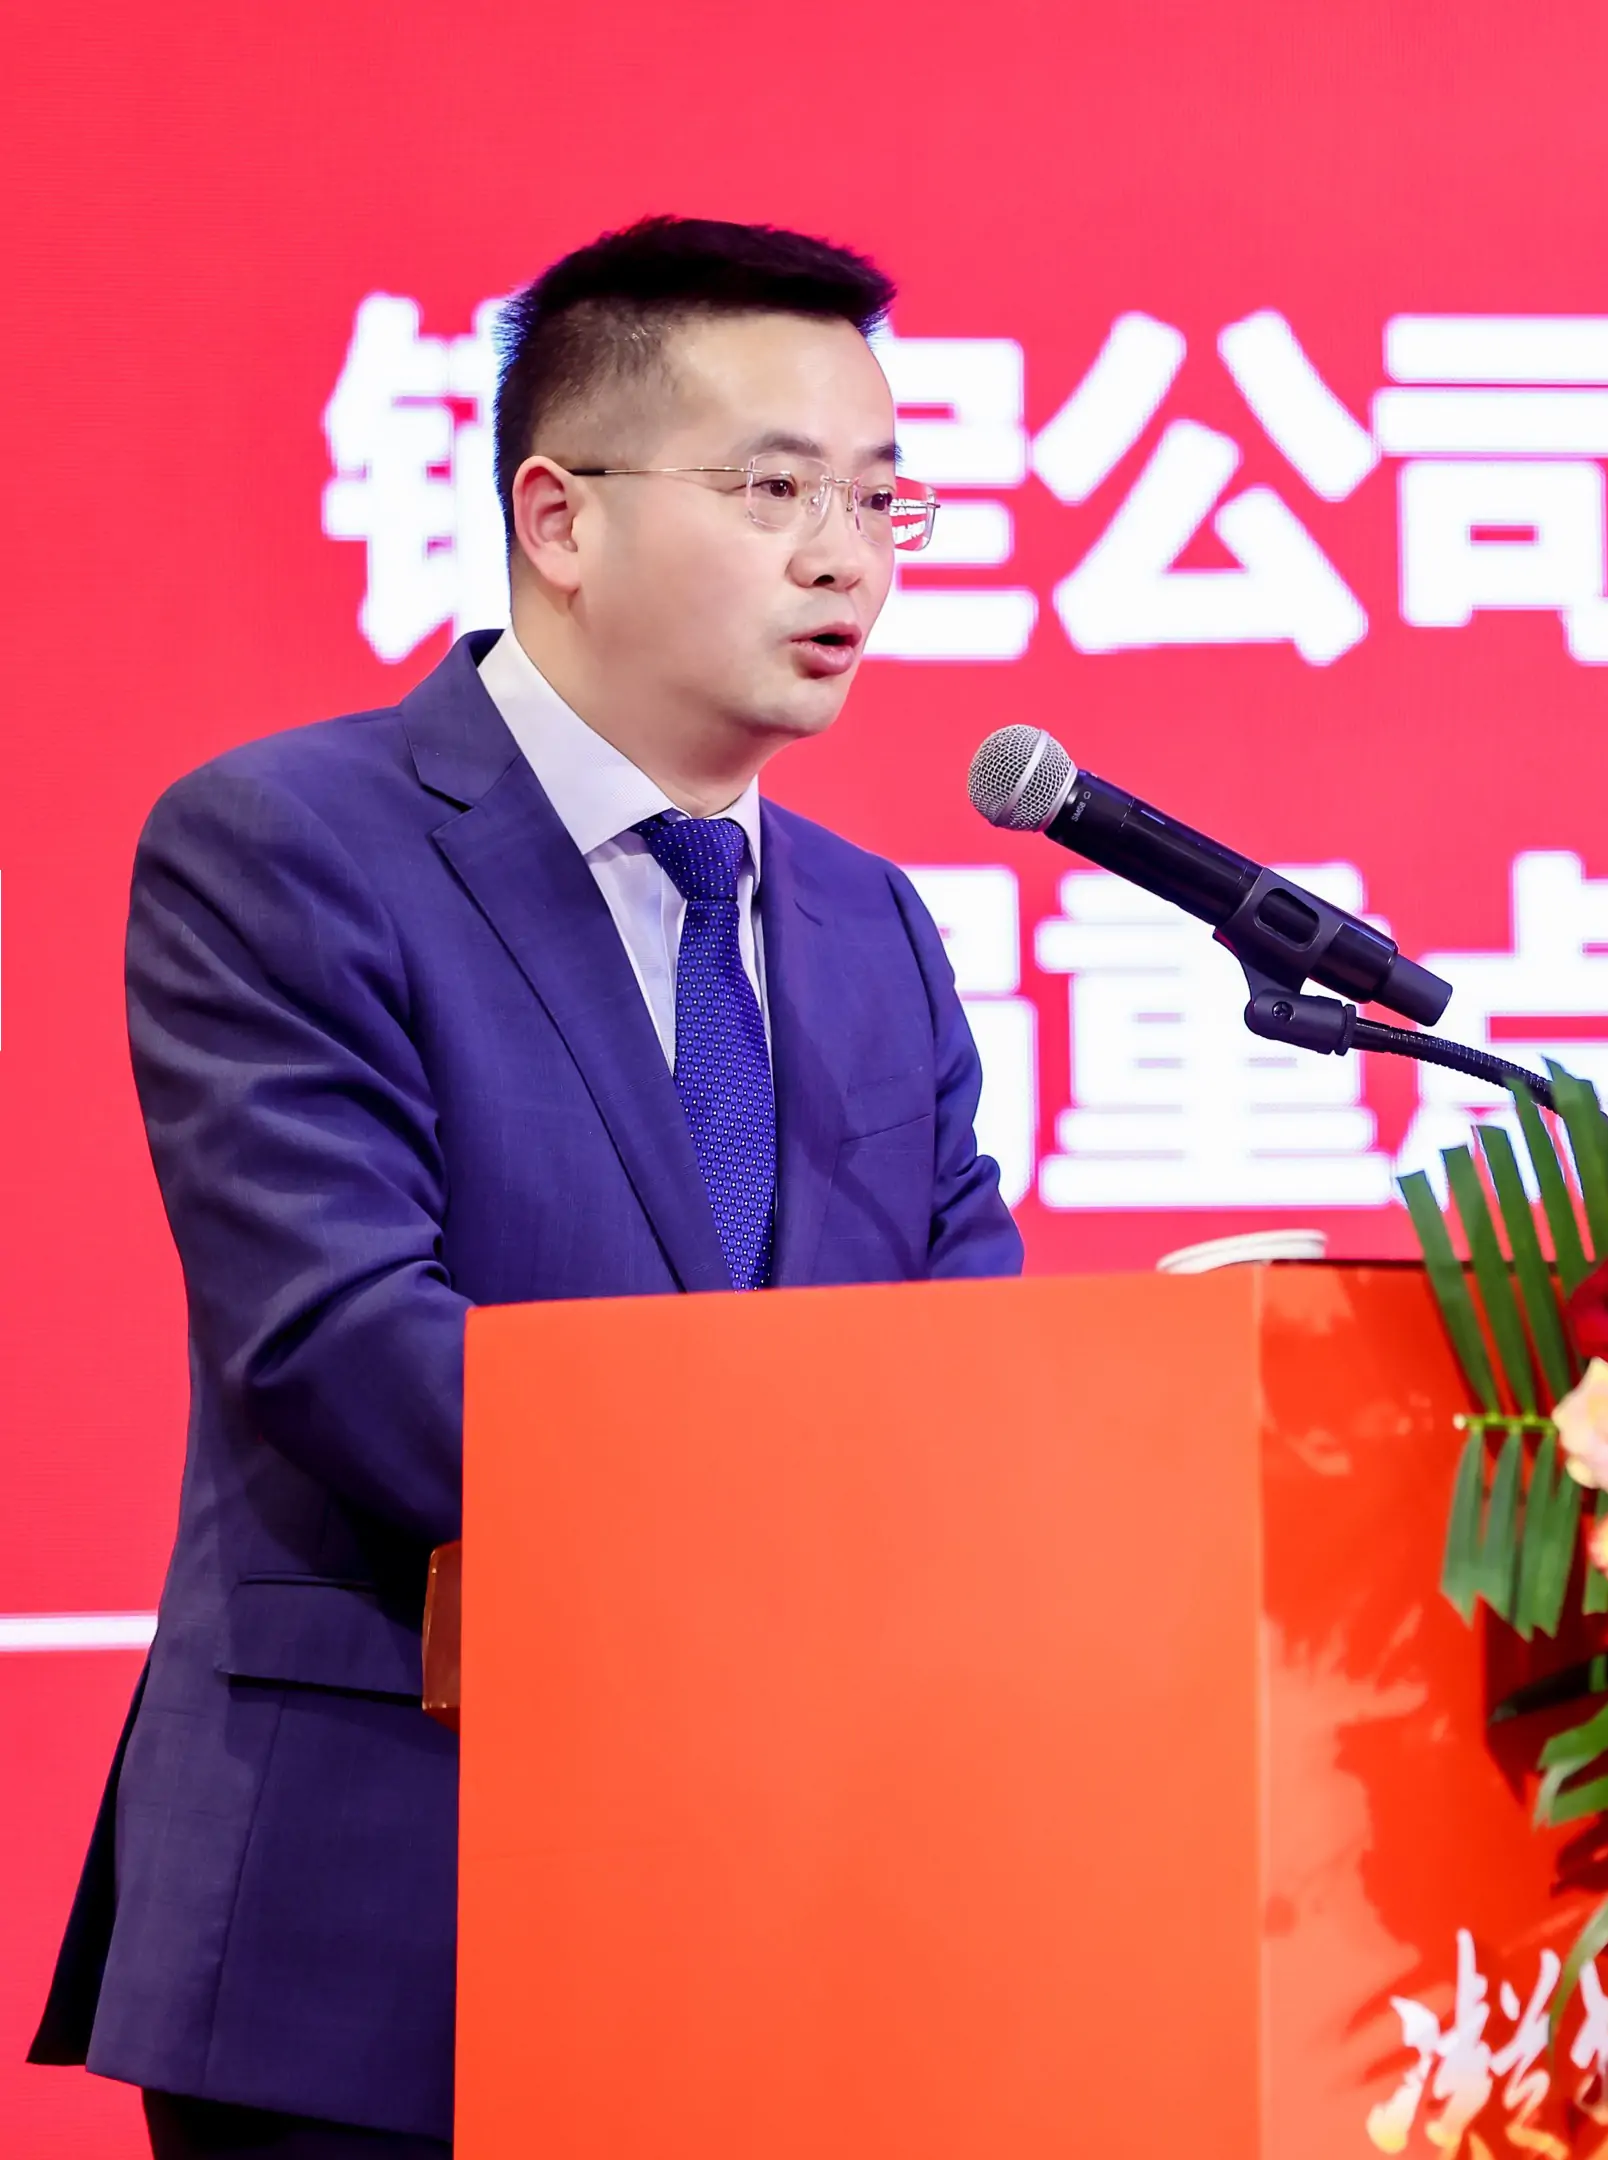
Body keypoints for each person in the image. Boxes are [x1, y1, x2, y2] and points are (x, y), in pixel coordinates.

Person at [27, 216, 1025, 2157]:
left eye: (881, 498)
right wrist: (796, 1537)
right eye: (775, 491)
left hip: (802, 1927)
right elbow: (343, 1338)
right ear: (558, 518)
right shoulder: (288, 844)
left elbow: (964, 1360)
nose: (849, 556)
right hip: (388, 1928)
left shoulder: (873, 927)